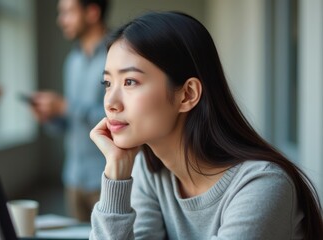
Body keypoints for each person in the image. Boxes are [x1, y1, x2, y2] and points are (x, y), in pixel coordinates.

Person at [89, 11, 323, 239]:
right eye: (107, 83)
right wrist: (116, 174)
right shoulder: (150, 172)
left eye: (130, 81)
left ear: (187, 94)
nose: (110, 102)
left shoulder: (262, 185)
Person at [31, 0, 109, 222]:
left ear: (92, 11)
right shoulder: (72, 61)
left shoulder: (117, 55)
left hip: (106, 178)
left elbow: (120, 119)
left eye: (67, 12)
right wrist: (50, 116)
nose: (60, 20)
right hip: (74, 178)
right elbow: (71, 124)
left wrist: (66, 106)